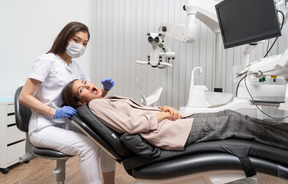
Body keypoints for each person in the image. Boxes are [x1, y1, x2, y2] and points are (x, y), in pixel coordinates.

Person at [62, 79, 288, 151]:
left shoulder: (104, 100)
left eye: (84, 82)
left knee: (231, 115)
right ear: (80, 100)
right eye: (81, 89)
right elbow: (130, 126)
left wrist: (163, 109)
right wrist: (162, 117)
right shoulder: (97, 107)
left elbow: (137, 113)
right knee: (235, 121)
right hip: (169, 132)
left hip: (170, 124)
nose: (87, 85)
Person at [19, 22, 115, 184]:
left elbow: (92, 97)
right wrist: (54, 112)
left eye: (84, 43)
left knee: (106, 140)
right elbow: (25, 96)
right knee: (87, 147)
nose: (81, 46)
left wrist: (104, 90)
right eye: (76, 40)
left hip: (67, 124)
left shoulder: (77, 68)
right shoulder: (47, 60)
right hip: (43, 126)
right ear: (65, 38)